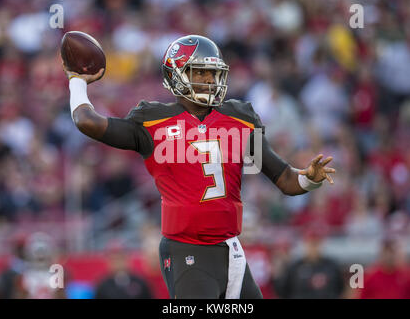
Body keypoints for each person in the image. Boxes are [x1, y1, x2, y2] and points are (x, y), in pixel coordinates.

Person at [62, 34, 336, 299]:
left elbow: (285, 179)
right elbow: (88, 122)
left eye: (212, 73)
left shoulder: (239, 117)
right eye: (199, 72)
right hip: (186, 249)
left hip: (231, 249)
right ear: (176, 74)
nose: (208, 80)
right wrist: (77, 81)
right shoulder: (152, 121)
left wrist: (309, 178)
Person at [273, 228, 345, 299]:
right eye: (310, 243)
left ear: (321, 244)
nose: (313, 247)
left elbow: (341, 289)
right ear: (305, 244)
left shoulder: (332, 266)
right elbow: (282, 291)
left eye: (316, 243)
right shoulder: (295, 267)